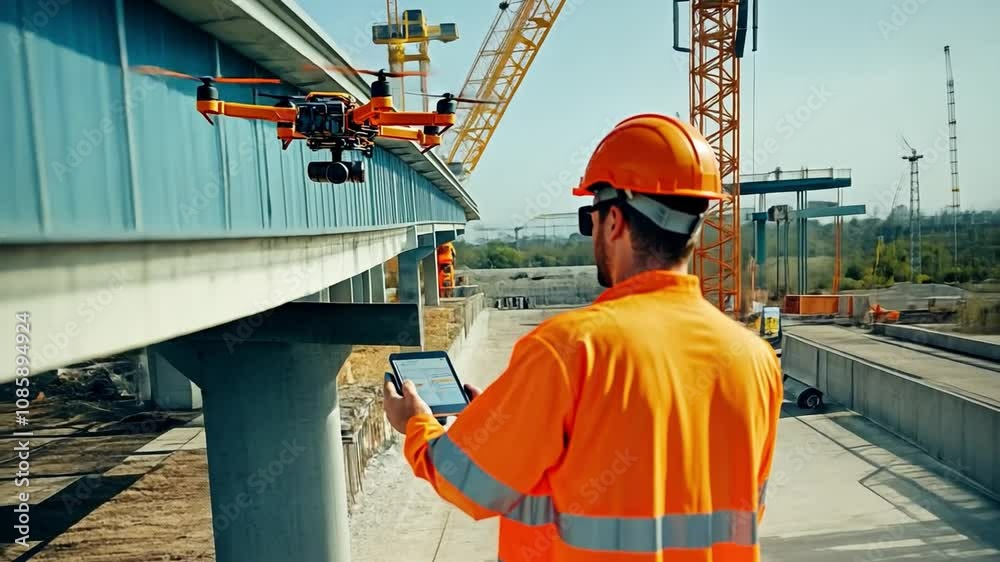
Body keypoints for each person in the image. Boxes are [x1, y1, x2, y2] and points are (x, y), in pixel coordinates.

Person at [383, 113, 784, 562]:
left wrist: (416, 425)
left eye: (589, 217)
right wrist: (505, 422)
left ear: (614, 220)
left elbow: (471, 486)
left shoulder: (568, 350)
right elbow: (738, 506)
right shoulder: (755, 358)